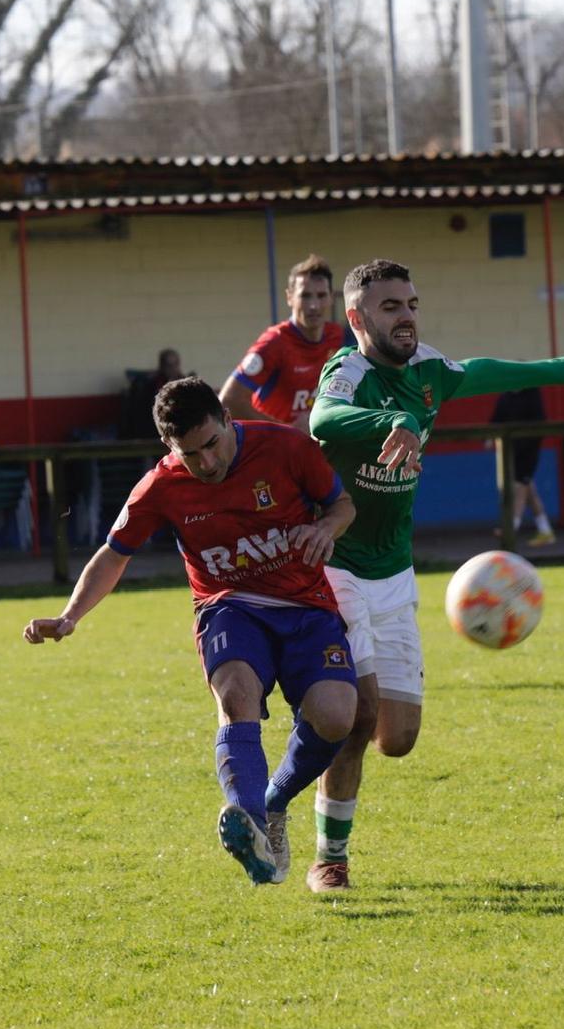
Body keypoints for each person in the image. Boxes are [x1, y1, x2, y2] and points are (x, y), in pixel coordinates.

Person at [305, 259, 564, 891]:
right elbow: (322, 422)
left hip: (394, 573)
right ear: (357, 318)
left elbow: (485, 371)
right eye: (390, 307)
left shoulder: (427, 372)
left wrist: (561, 369)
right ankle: (329, 858)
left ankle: (318, 726)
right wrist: (396, 421)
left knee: (397, 738)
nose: (407, 316)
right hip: (337, 568)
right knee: (357, 719)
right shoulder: (349, 370)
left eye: (411, 303)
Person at [23, 376, 359, 885]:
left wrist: (324, 529)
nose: (205, 463)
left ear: (228, 420)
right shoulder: (160, 486)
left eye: (211, 445)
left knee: (336, 717)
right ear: (168, 446)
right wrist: (70, 616)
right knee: (235, 693)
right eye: (189, 453)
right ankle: (253, 831)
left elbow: (343, 506)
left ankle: (271, 803)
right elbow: (114, 555)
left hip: (305, 606)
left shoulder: (286, 448)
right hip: (229, 607)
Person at [219, 254, 346, 429]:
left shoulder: (337, 336)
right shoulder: (274, 343)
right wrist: (288, 431)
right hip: (270, 447)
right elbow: (229, 400)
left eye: (321, 295)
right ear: (289, 298)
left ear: (331, 298)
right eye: (305, 296)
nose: (314, 305)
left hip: (311, 445)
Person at [490, 385, 555, 547]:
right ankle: (545, 530)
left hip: (529, 449)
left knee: (521, 485)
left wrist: (528, 443)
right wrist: (489, 437)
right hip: (510, 450)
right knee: (528, 489)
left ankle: (511, 527)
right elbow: (495, 419)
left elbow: (540, 421)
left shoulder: (533, 394)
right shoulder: (506, 395)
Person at [120, 348, 186, 441]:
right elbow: (145, 412)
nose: (173, 369)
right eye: (169, 365)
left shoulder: (185, 382)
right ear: (162, 366)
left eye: (176, 364)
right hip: (155, 429)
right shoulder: (151, 385)